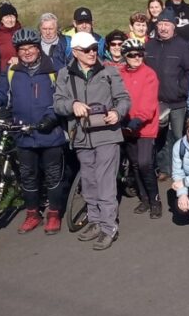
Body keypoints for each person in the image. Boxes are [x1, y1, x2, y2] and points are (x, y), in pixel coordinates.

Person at [53, 32, 131, 251]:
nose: (92, 53)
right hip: (81, 134)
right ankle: (95, 221)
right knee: (88, 181)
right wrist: (72, 105)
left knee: (105, 181)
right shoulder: (64, 75)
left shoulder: (109, 72)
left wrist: (117, 112)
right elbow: (58, 103)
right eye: (86, 50)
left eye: (94, 48)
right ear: (75, 52)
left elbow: (123, 98)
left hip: (107, 134)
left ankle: (108, 228)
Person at [0, 28, 67, 235]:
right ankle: (33, 214)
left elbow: (64, 98)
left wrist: (53, 117)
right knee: (28, 176)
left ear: (38, 49)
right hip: (23, 133)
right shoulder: (12, 71)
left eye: (31, 48)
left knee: (53, 175)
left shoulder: (54, 68)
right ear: (17, 51)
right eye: (23, 49)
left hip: (50, 133)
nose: (28, 52)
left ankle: (54, 214)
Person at [145, 10, 189, 181]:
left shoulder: (182, 46)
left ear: (174, 26)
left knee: (177, 136)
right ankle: (164, 168)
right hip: (156, 101)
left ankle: (180, 170)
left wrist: (180, 90)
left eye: (167, 24)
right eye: (160, 24)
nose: (163, 28)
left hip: (177, 102)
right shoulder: (149, 45)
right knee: (160, 138)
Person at [117, 39, 163, 218]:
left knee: (145, 163)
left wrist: (138, 119)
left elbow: (149, 102)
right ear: (125, 57)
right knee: (134, 164)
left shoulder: (149, 74)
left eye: (139, 54)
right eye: (132, 55)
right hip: (126, 125)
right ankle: (144, 198)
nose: (136, 58)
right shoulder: (120, 74)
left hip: (144, 126)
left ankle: (155, 200)